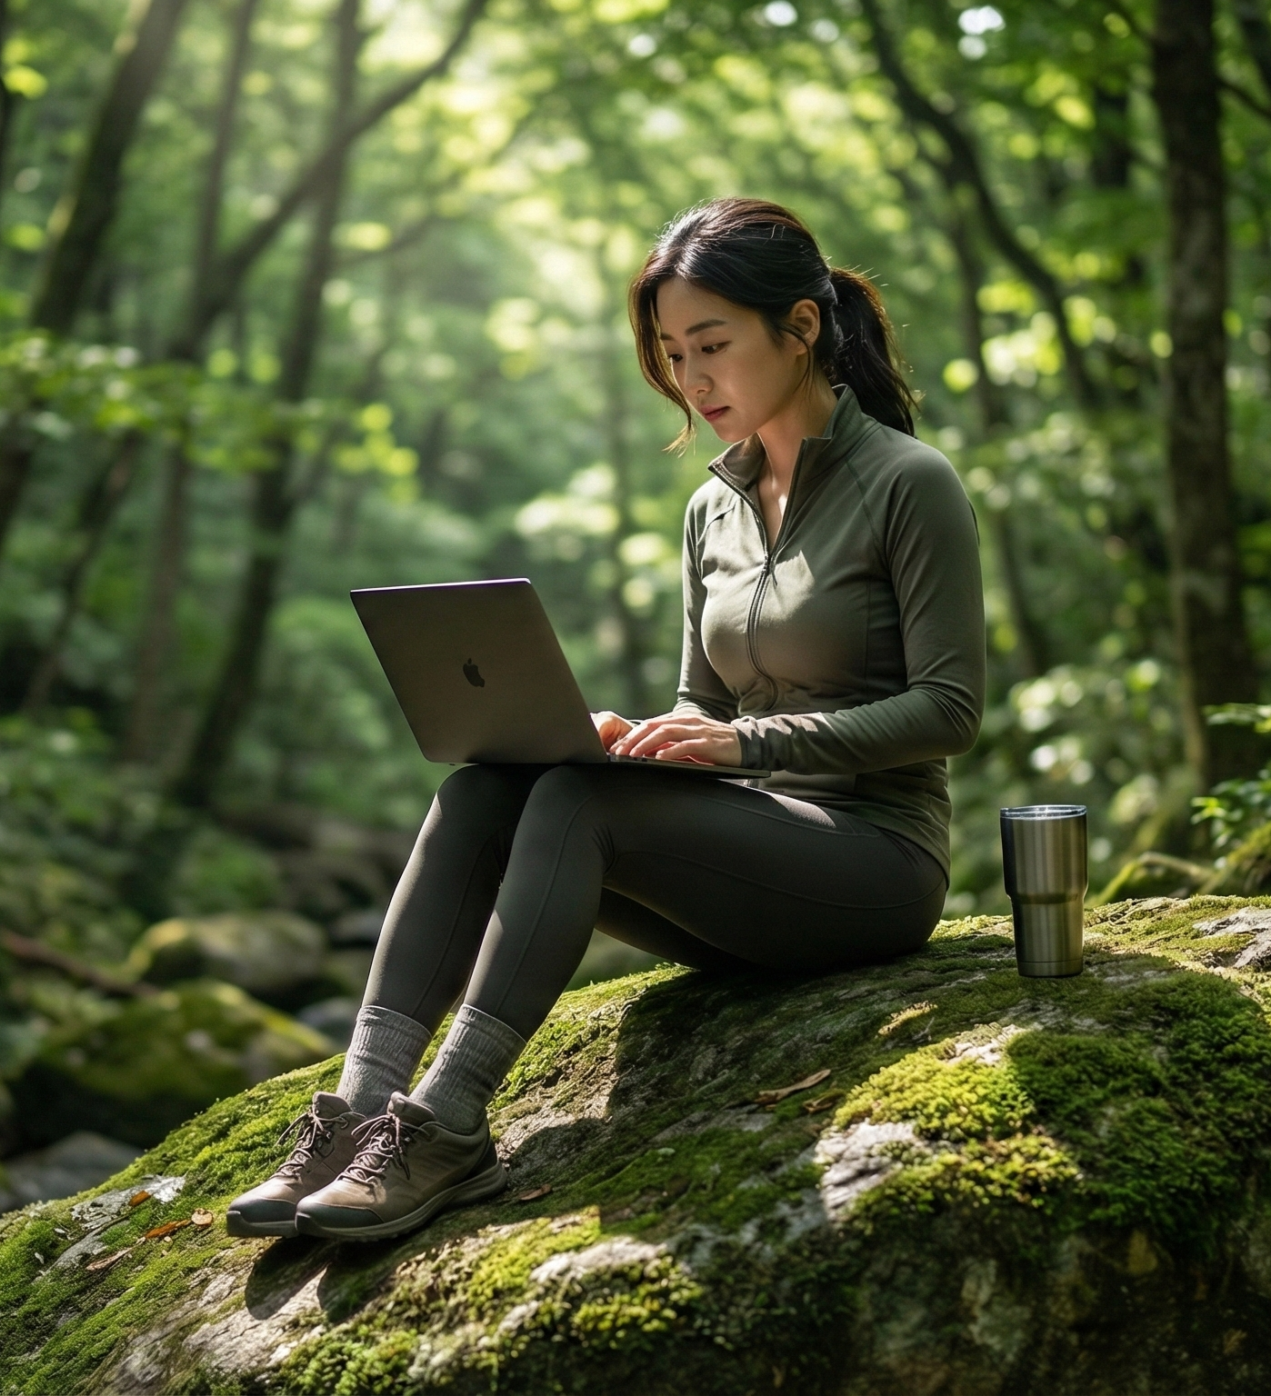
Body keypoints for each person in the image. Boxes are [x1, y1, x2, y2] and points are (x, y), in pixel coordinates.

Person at [226, 196, 986, 1242]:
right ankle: (357, 1110)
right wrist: (638, 738)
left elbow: (949, 710)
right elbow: (702, 707)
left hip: (872, 867)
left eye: (711, 345)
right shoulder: (710, 507)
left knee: (580, 803)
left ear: (800, 327)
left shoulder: (910, 483)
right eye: (674, 354)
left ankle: (443, 1128)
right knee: (491, 783)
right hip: (740, 867)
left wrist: (741, 745)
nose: (691, 379)